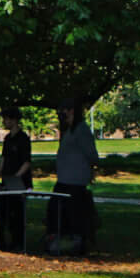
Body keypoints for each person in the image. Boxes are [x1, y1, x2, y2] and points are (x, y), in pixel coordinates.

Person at [52, 104, 99, 255]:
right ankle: (61, 240)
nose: (62, 113)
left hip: (75, 182)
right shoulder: (69, 131)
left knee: (75, 213)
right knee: (57, 210)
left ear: (72, 111)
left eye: (64, 109)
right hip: (64, 180)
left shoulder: (82, 130)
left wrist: (90, 170)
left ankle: (77, 242)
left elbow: (92, 155)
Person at [0, 107, 33, 252]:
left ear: (14, 120)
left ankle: (19, 242)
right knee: (6, 212)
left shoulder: (23, 139)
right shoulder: (7, 139)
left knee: (17, 213)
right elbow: (4, 158)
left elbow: (27, 162)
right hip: (7, 180)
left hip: (20, 182)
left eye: (6, 119)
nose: (4, 122)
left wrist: (17, 177)